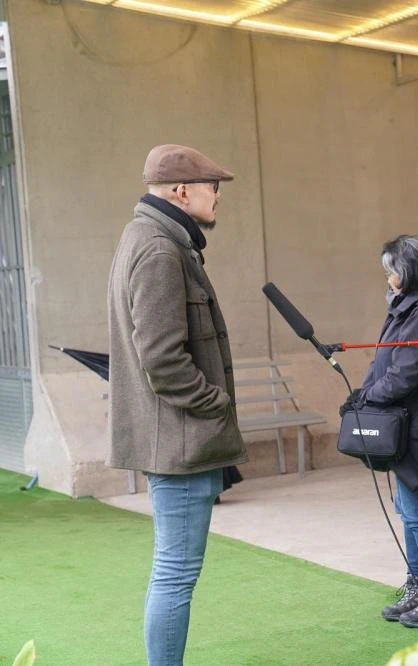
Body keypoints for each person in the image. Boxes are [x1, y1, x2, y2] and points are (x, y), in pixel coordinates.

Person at [107, 144, 247, 666]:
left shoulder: (151, 238)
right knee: (175, 572)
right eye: (214, 188)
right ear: (182, 191)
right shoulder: (160, 249)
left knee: (173, 569)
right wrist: (213, 403)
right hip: (181, 439)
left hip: (175, 436)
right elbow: (162, 359)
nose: (218, 198)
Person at [351, 234, 418, 628]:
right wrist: (361, 393)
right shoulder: (406, 307)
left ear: (407, 271)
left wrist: (369, 398)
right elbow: (384, 362)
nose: (387, 278)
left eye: (391, 271)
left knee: (417, 511)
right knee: (407, 510)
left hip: (415, 425)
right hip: (400, 423)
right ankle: (417, 584)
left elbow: (406, 373)